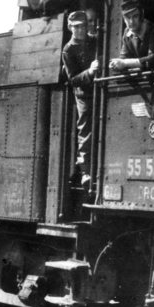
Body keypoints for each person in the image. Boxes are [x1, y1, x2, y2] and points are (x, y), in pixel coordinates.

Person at [62, 11, 99, 187]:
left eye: (83, 26)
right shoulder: (68, 50)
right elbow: (73, 79)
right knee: (85, 130)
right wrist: (90, 72)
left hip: (98, 89)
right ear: (70, 27)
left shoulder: (93, 40)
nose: (80, 30)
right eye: (76, 27)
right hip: (83, 94)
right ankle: (85, 171)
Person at [109, 0, 154, 73]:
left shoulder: (151, 30)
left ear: (141, 16)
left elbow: (152, 59)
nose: (131, 21)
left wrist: (125, 63)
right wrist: (116, 64)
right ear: (124, 19)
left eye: (135, 16)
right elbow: (124, 56)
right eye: (127, 18)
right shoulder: (127, 33)